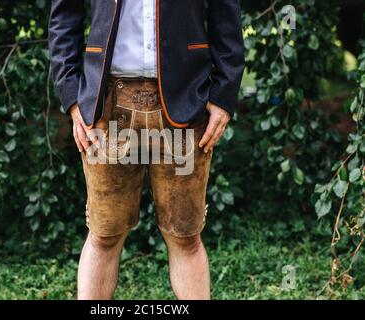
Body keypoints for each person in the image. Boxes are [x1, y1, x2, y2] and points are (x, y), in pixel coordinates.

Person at [49, 0, 245, 300]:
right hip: (107, 105)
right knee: (103, 234)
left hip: (185, 103)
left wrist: (223, 93)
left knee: (186, 236)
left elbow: (225, 11)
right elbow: (64, 15)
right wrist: (72, 96)